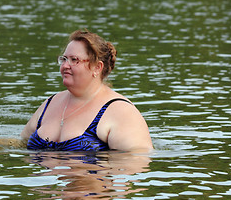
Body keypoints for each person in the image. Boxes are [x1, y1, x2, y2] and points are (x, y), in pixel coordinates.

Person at [21, 30, 153, 152]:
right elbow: (21, 144)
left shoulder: (122, 112)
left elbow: (135, 163)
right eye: (64, 59)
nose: (65, 66)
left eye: (74, 60)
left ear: (97, 67)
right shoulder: (50, 103)